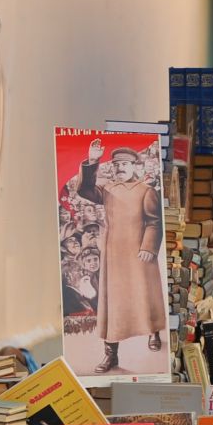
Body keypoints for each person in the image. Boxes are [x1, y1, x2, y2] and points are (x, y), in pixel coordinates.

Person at [77, 140, 168, 372]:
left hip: (139, 255)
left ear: (135, 166)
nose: (120, 168)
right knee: (112, 305)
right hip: (114, 257)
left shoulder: (146, 191)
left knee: (145, 296)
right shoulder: (107, 189)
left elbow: (154, 222)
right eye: (117, 165)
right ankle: (111, 355)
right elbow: (84, 190)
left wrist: (148, 247)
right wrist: (93, 161)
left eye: (125, 164)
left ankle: (153, 332)